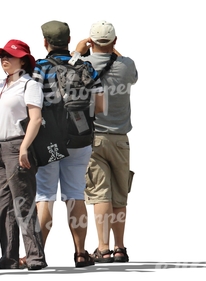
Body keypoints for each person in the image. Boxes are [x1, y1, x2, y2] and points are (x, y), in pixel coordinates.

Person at [32, 20, 103, 267]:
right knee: (75, 195)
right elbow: (101, 106)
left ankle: (37, 255)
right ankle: (81, 253)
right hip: (80, 137)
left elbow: (31, 106)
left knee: (45, 195)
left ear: (45, 42)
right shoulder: (85, 67)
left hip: (49, 139)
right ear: (69, 40)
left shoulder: (39, 68)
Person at [74, 20, 138, 263]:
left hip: (94, 138)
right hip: (121, 139)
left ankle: (103, 248)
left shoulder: (82, 65)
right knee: (120, 195)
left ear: (91, 41)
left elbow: (65, 74)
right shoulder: (126, 65)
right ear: (115, 41)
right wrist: (114, 52)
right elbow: (130, 72)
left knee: (101, 194)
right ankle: (120, 248)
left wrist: (78, 52)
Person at [0, 39, 47, 271]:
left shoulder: (29, 85)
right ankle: (9, 257)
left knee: (23, 203)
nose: (5, 59)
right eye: (3, 55)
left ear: (23, 60)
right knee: (3, 205)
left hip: (17, 146)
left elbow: (36, 118)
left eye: (10, 56)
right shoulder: (0, 83)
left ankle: (35, 258)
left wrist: (24, 147)